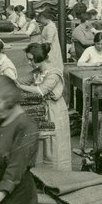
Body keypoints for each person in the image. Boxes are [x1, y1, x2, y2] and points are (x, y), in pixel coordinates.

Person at [20, 43, 71, 171]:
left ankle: (60, 177)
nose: (29, 62)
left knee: (56, 145)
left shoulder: (54, 73)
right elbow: (20, 80)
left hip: (55, 111)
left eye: (31, 59)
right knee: (44, 145)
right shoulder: (37, 72)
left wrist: (18, 86)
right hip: (43, 111)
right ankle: (44, 175)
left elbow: (41, 91)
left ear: (39, 58)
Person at [36, 7, 64, 74]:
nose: (39, 21)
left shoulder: (50, 27)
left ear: (43, 17)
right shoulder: (47, 25)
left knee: (51, 69)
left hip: (51, 52)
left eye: (39, 19)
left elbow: (48, 43)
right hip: (48, 51)